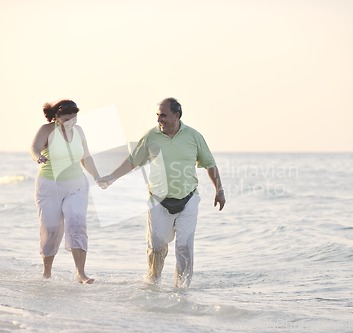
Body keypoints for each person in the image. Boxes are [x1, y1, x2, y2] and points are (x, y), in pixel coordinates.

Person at [97, 97, 225, 288]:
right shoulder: (151, 137)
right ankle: (153, 281)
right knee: (156, 246)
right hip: (158, 200)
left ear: (177, 115)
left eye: (163, 115)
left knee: (184, 246)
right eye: (157, 115)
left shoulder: (194, 136)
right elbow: (133, 161)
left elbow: (209, 163)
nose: (159, 119)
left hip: (188, 199)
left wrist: (219, 190)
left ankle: (182, 289)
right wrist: (111, 177)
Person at [30, 99, 100, 284]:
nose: (72, 122)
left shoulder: (79, 131)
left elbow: (86, 157)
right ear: (57, 117)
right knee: (51, 228)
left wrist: (98, 176)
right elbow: (34, 148)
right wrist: (38, 157)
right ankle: (47, 273)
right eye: (68, 118)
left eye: (74, 117)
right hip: (49, 185)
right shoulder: (46, 130)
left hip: (76, 185)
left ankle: (81, 273)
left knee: (77, 223)